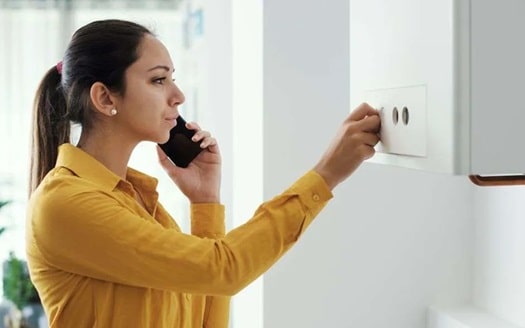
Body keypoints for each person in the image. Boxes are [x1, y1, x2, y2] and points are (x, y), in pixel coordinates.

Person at [26, 19, 381, 328]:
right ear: (105, 99)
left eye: (173, 79)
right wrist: (325, 175)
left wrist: (205, 201)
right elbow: (223, 270)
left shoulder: (139, 204)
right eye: (159, 80)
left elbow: (210, 296)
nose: (178, 96)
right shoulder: (66, 203)